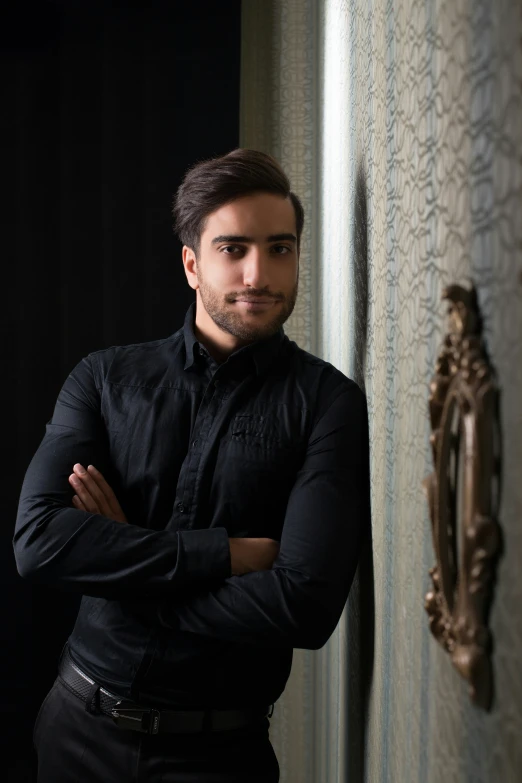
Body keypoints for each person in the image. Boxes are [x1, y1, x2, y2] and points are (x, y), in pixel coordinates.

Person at [13, 148, 370, 782]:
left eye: (279, 248)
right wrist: (224, 555)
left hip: (218, 759)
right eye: (233, 249)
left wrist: (122, 567)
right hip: (75, 732)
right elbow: (39, 544)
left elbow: (305, 608)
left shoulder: (328, 405)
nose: (259, 273)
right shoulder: (102, 379)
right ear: (191, 264)